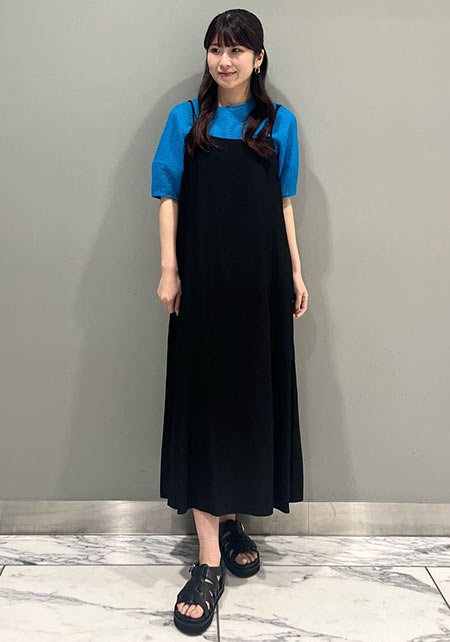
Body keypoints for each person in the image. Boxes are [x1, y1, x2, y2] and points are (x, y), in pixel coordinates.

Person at [151, 8, 308, 635]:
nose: (225, 60)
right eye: (216, 48)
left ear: (258, 58)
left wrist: (295, 272)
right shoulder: (185, 120)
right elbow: (167, 195)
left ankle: (233, 520)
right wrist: (170, 269)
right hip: (205, 285)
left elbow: (283, 203)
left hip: (261, 286)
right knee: (205, 407)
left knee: (248, 406)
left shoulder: (280, 123)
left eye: (237, 49)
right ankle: (209, 561)